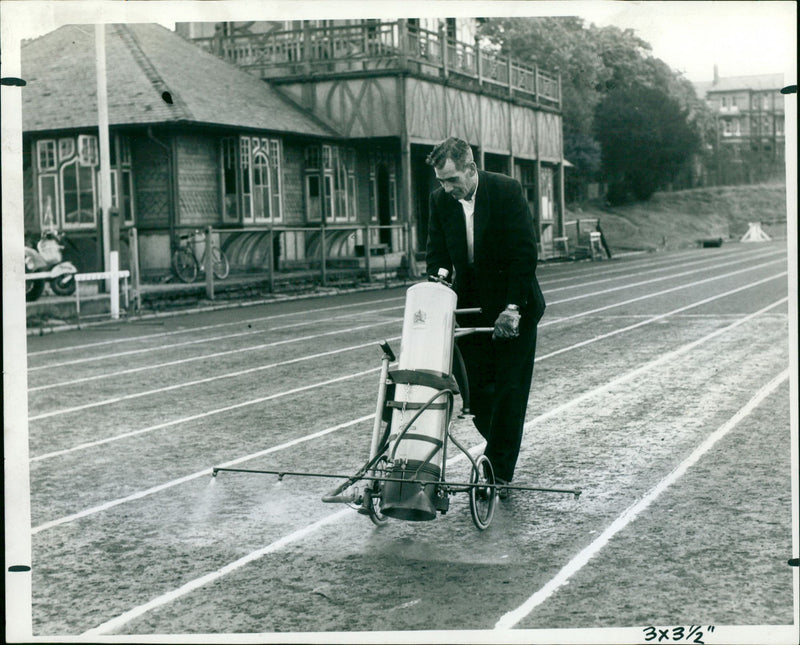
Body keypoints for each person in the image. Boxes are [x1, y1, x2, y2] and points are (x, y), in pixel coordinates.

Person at [424, 137, 546, 498]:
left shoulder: (506, 191)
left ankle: (497, 474)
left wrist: (513, 308)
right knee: (476, 396)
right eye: (441, 181)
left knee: (509, 390)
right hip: (469, 308)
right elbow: (437, 255)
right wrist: (438, 287)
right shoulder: (439, 201)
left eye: (452, 180)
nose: (447, 188)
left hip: (514, 304)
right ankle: (503, 449)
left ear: (471, 169)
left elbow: (525, 253)